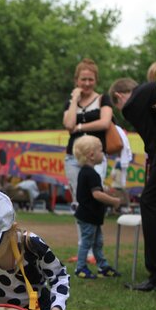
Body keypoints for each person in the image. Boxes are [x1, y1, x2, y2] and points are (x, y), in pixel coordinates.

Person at [110, 75, 156, 292]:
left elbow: (152, 141)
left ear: (119, 96)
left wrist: (153, 171)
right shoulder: (151, 92)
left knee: (150, 202)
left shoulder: (132, 103)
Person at [62, 58, 116, 205]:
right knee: (77, 200)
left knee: (95, 197)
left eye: (90, 79)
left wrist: (79, 128)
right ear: (76, 80)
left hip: (96, 156)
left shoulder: (103, 99)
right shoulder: (70, 103)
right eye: (83, 79)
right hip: (73, 157)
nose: (87, 83)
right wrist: (74, 100)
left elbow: (104, 123)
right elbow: (68, 124)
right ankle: (82, 229)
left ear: (96, 80)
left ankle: (94, 228)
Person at [72, 136, 122, 279]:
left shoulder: (85, 172)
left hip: (91, 216)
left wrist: (105, 192)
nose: (104, 153)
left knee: (97, 242)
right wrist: (113, 201)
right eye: (101, 150)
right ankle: (80, 268)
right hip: (88, 216)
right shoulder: (91, 173)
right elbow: (96, 195)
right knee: (87, 242)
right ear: (92, 155)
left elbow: (93, 192)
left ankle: (103, 266)